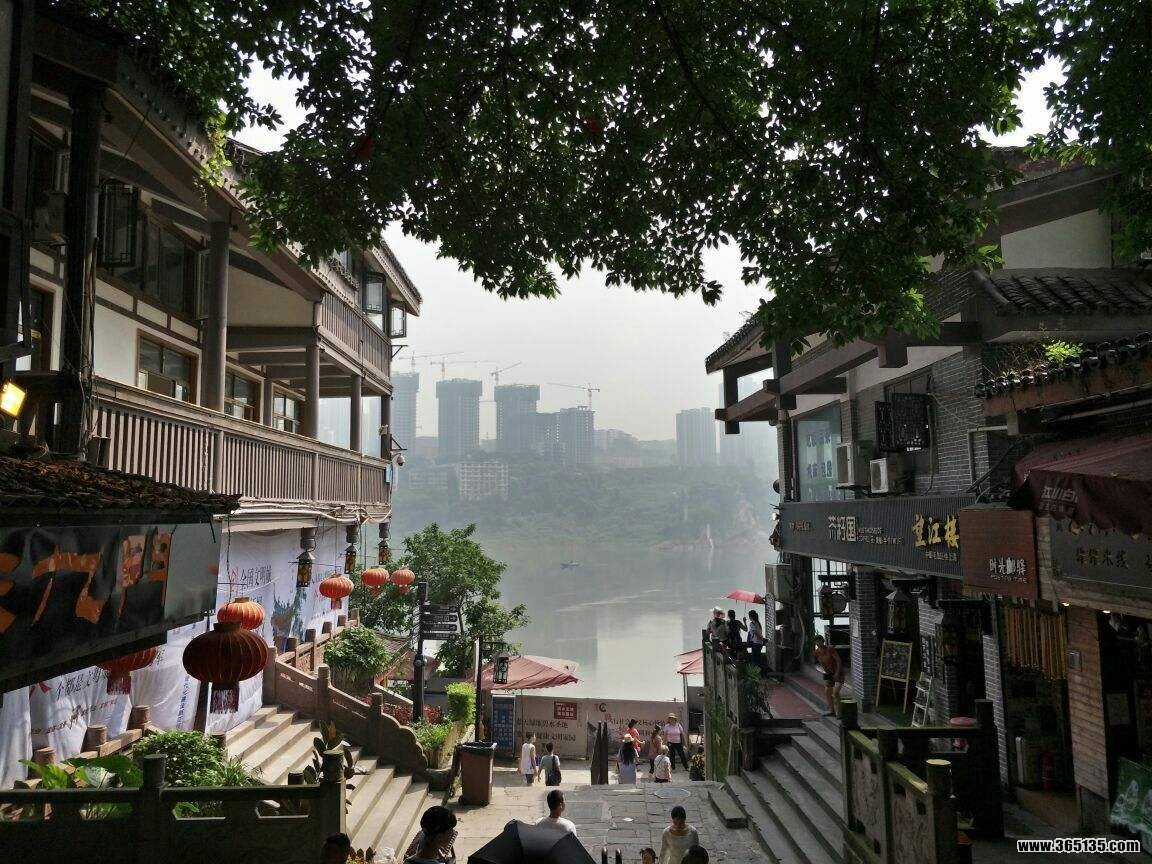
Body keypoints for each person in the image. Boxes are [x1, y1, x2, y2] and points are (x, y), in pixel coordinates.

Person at [814, 634, 844, 717]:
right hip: (829, 673)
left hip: (839, 672)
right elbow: (822, 663)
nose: (818, 643)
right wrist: (827, 673)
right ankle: (832, 711)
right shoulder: (817, 652)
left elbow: (838, 661)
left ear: (823, 641)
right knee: (827, 691)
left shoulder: (830, 649)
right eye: (816, 642)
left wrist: (837, 673)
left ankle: (840, 713)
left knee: (836, 692)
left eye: (819, 641)